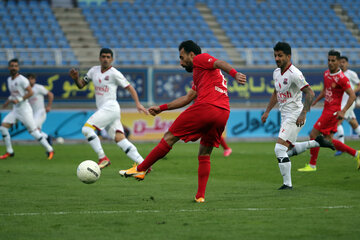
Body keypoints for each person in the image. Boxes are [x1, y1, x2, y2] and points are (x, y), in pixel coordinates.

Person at [119, 40, 247, 203]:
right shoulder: (201, 74)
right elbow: (188, 98)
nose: (180, 62)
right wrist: (162, 108)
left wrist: (235, 73)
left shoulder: (200, 59)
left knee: (170, 137)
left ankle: (141, 168)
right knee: (204, 153)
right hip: (223, 113)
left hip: (206, 108)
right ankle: (200, 196)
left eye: (181, 57)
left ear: (191, 55)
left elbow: (219, 62)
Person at [261, 42, 335, 190]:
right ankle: (317, 142)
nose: (277, 58)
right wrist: (268, 110)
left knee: (279, 150)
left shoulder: (295, 73)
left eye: (280, 55)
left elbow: (310, 93)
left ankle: (287, 184)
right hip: (285, 115)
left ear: (288, 56)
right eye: (275, 55)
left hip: (295, 115)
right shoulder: (276, 72)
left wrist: (303, 113)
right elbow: (276, 92)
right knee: (287, 150)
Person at [69, 48, 148, 169]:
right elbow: (81, 85)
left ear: (112, 59)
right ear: (99, 58)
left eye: (108, 57)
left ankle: (102, 157)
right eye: (103, 57)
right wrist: (75, 78)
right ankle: (144, 164)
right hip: (106, 110)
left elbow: (130, 87)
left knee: (86, 129)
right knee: (120, 139)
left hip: (110, 107)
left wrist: (138, 104)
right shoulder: (93, 71)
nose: (105, 59)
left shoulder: (114, 73)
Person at [298, 50, 360, 172]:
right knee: (328, 140)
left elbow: (352, 96)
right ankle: (357, 154)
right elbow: (325, 90)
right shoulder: (326, 74)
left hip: (332, 112)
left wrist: (343, 111)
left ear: (338, 62)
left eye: (333, 61)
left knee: (313, 134)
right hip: (326, 109)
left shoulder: (342, 78)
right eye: (329, 60)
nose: (330, 63)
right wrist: (316, 101)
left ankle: (312, 165)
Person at [0, 59, 54, 160]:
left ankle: (50, 149)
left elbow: (30, 92)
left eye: (15, 66)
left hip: (25, 110)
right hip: (15, 110)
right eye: (12, 66)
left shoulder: (22, 79)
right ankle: (9, 151)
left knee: (34, 132)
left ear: (18, 68)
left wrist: (19, 99)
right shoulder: (9, 80)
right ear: (9, 67)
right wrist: (7, 102)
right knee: (3, 127)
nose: (13, 68)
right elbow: (13, 94)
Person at [334, 56, 360, 156]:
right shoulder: (337, 75)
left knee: (337, 122)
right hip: (341, 103)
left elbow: (359, 84)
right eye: (340, 62)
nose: (341, 64)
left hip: (349, 102)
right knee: (354, 123)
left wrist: (353, 92)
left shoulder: (351, 74)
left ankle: (341, 147)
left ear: (347, 63)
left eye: (343, 62)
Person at [27, 73, 54, 145]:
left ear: (35, 80)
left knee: (32, 130)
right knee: (37, 132)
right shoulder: (26, 90)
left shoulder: (38, 88)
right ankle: (48, 140)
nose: (30, 80)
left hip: (40, 112)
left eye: (32, 78)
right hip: (32, 114)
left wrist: (49, 106)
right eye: (28, 79)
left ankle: (48, 143)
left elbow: (50, 94)